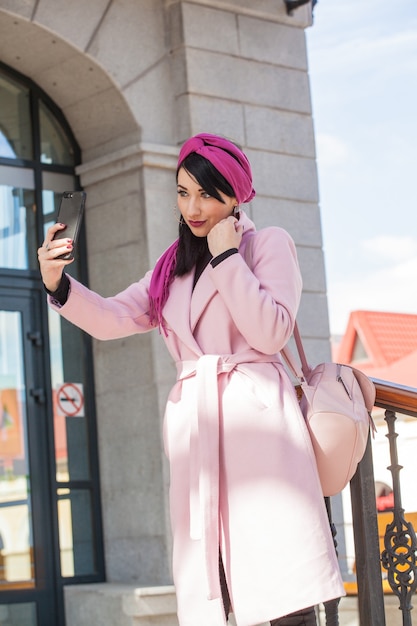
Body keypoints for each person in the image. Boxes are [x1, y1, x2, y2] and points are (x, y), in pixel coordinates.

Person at [38, 133, 344, 626]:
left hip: (258, 433)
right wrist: (57, 283)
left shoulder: (266, 244)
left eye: (207, 193)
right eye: (183, 192)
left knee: (280, 585)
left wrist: (226, 259)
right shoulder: (170, 265)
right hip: (197, 431)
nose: (194, 207)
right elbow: (115, 317)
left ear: (236, 194)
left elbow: (271, 332)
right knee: (216, 586)